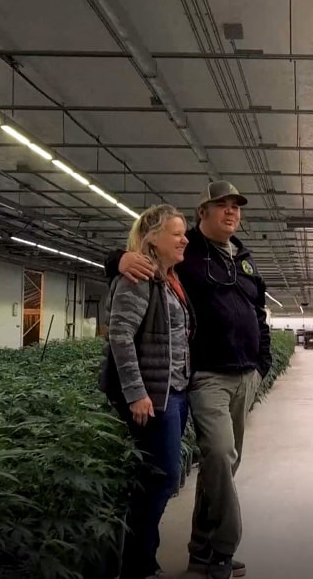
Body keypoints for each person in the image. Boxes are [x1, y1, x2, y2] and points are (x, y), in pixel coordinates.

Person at [105, 181, 272, 579]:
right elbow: (138, 259)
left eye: (236, 207)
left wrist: (262, 363)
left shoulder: (243, 259)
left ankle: (203, 548)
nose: (231, 212)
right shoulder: (187, 250)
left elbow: (259, 312)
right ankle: (222, 549)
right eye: (222, 206)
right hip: (205, 377)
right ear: (203, 213)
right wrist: (118, 260)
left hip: (243, 373)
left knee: (223, 467)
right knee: (216, 455)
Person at [100, 204, 194, 579]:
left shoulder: (171, 279)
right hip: (154, 396)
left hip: (176, 390)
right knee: (160, 478)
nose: (184, 238)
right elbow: (120, 337)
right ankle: (138, 565)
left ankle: (143, 560)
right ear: (153, 239)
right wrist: (137, 393)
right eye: (177, 233)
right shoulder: (137, 276)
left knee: (161, 477)